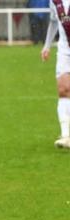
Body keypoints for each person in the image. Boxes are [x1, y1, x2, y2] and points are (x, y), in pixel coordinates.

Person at [41, 0, 70, 148]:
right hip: (65, 51)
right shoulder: (54, 1)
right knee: (63, 89)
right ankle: (66, 136)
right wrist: (47, 46)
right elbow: (53, 22)